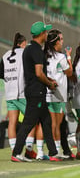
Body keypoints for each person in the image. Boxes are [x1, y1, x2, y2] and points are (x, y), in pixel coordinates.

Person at [11, 21, 61, 162]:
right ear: (41, 34)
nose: (46, 34)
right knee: (28, 123)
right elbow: (39, 73)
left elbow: (36, 72)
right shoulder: (37, 50)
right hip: (37, 92)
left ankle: (53, 152)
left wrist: (49, 78)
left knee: (46, 122)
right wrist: (50, 83)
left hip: (33, 91)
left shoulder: (28, 49)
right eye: (45, 32)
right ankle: (16, 153)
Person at [0, 33, 37, 159]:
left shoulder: (5, 56)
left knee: (12, 122)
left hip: (9, 93)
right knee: (32, 120)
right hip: (22, 92)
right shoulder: (24, 53)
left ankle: (14, 151)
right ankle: (28, 149)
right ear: (22, 43)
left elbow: (1, 74)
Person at [44, 29, 73, 158]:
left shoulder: (44, 55)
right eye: (60, 40)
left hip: (47, 92)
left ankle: (52, 151)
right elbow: (69, 72)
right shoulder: (60, 57)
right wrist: (69, 57)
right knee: (57, 124)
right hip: (59, 93)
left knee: (51, 124)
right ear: (56, 42)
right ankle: (56, 151)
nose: (62, 42)